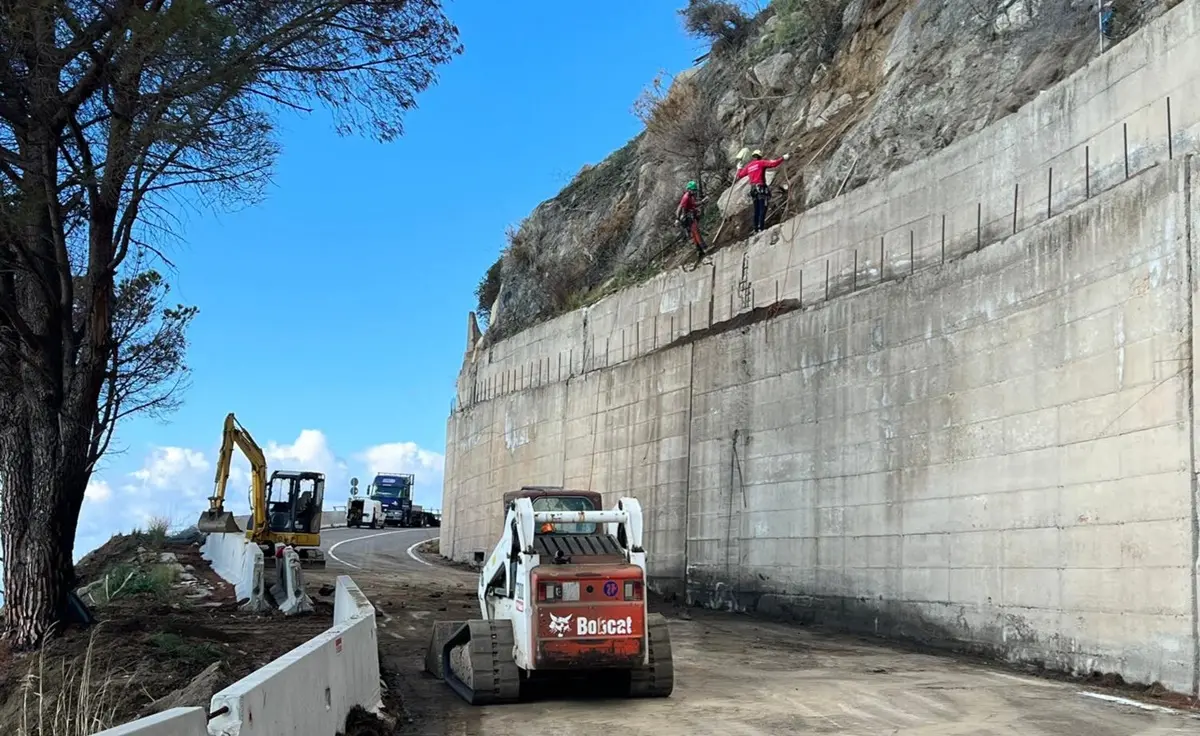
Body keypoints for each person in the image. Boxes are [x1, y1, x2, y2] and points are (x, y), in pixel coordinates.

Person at [736, 149, 790, 233]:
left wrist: (739, 168)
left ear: (753, 157)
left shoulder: (749, 166)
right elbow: (773, 164)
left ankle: (756, 229)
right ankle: (761, 228)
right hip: (761, 188)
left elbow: (739, 175)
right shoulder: (761, 163)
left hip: (753, 190)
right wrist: (783, 158)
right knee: (763, 209)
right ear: (760, 156)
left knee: (756, 210)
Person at [676, 180, 707, 260]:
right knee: (695, 232)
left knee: (694, 232)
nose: (694, 192)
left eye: (695, 190)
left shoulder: (691, 196)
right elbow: (681, 208)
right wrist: (678, 218)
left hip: (691, 215)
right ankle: (703, 248)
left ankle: (699, 250)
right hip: (688, 217)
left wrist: (702, 202)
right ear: (689, 189)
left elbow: (693, 204)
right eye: (693, 190)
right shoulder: (686, 198)